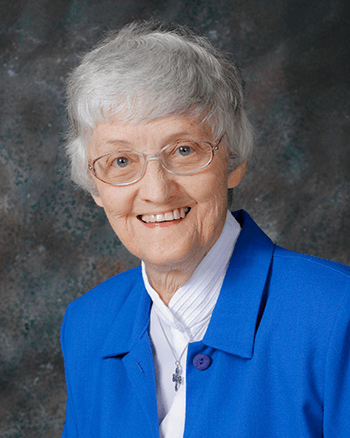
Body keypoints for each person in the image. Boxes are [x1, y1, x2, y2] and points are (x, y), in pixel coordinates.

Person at [61, 20, 350, 438]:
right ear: (94, 186)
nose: (157, 192)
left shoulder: (336, 313)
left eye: (183, 150)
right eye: (121, 161)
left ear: (233, 161)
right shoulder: (87, 324)